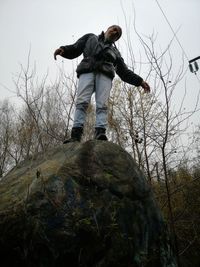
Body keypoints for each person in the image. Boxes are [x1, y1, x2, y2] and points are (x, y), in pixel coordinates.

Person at [54, 25, 150, 143]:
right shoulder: (90, 38)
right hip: (87, 70)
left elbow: (124, 72)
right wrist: (63, 50)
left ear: (116, 39)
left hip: (105, 74)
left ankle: (100, 132)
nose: (115, 32)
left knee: (102, 104)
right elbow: (76, 47)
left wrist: (140, 81)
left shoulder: (115, 53)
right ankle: (76, 135)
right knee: (81, 102)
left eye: (118, 34)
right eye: (114, 29)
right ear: (107, 29)